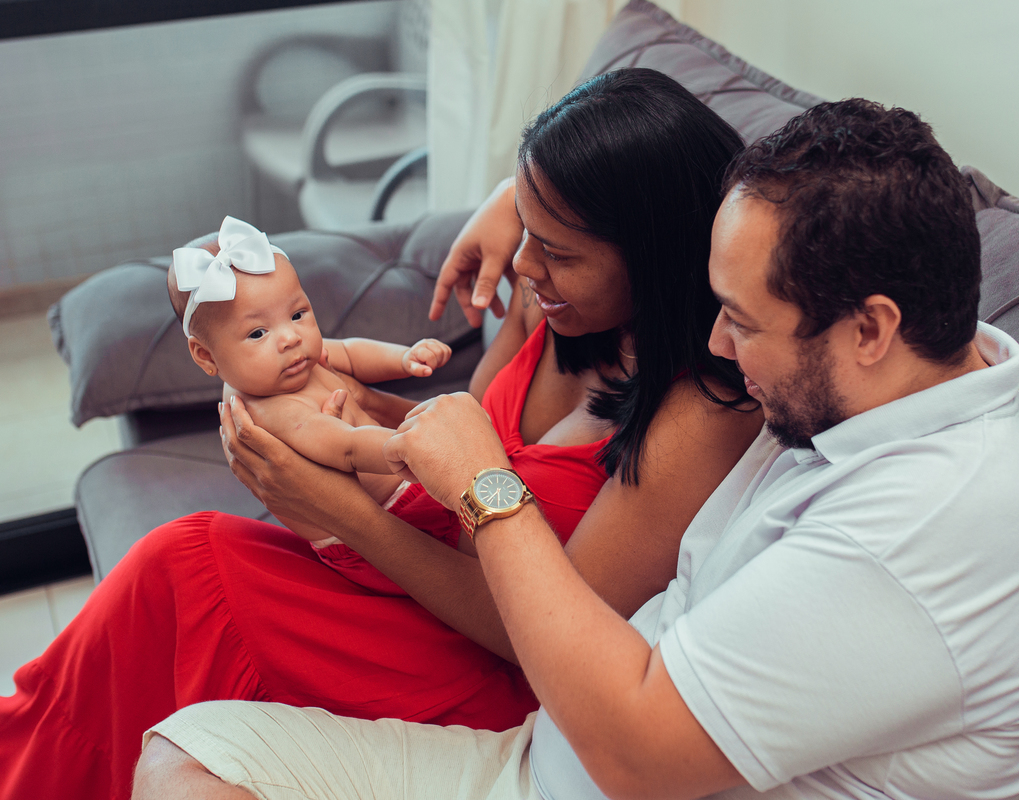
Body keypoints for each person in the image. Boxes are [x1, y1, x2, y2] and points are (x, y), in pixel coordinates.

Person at [134, 98, 1019, 800]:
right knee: (189, 754)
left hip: (594, 763)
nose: (718, 346)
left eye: (744, 323)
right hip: (543, 758)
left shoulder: (921, 529)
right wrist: (520, 199)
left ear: (869, 329)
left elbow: (634, 753)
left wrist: (484, 486)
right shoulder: (902, 374)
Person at [0, 68, 763, 800]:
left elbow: (540, 636)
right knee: (173, 564)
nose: (525, 264)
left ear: (654, 253)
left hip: (496, 664)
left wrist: (346, 517)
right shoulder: (558, 306)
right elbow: (463, 433)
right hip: (419, 587)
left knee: (196, 584)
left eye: (557, 251)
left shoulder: (703, 412)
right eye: (528, 233)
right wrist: (508, 203)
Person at [168, 217, 452, 529]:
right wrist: (411, 447)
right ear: (206, 355)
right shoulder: (264, 411)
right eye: (258, 333)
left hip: (406, 490)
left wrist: (404, 357)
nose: (291, 337)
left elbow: (351, 352)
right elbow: (348, 447)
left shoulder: (296, 359)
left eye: (297, 314)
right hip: (391, 518)